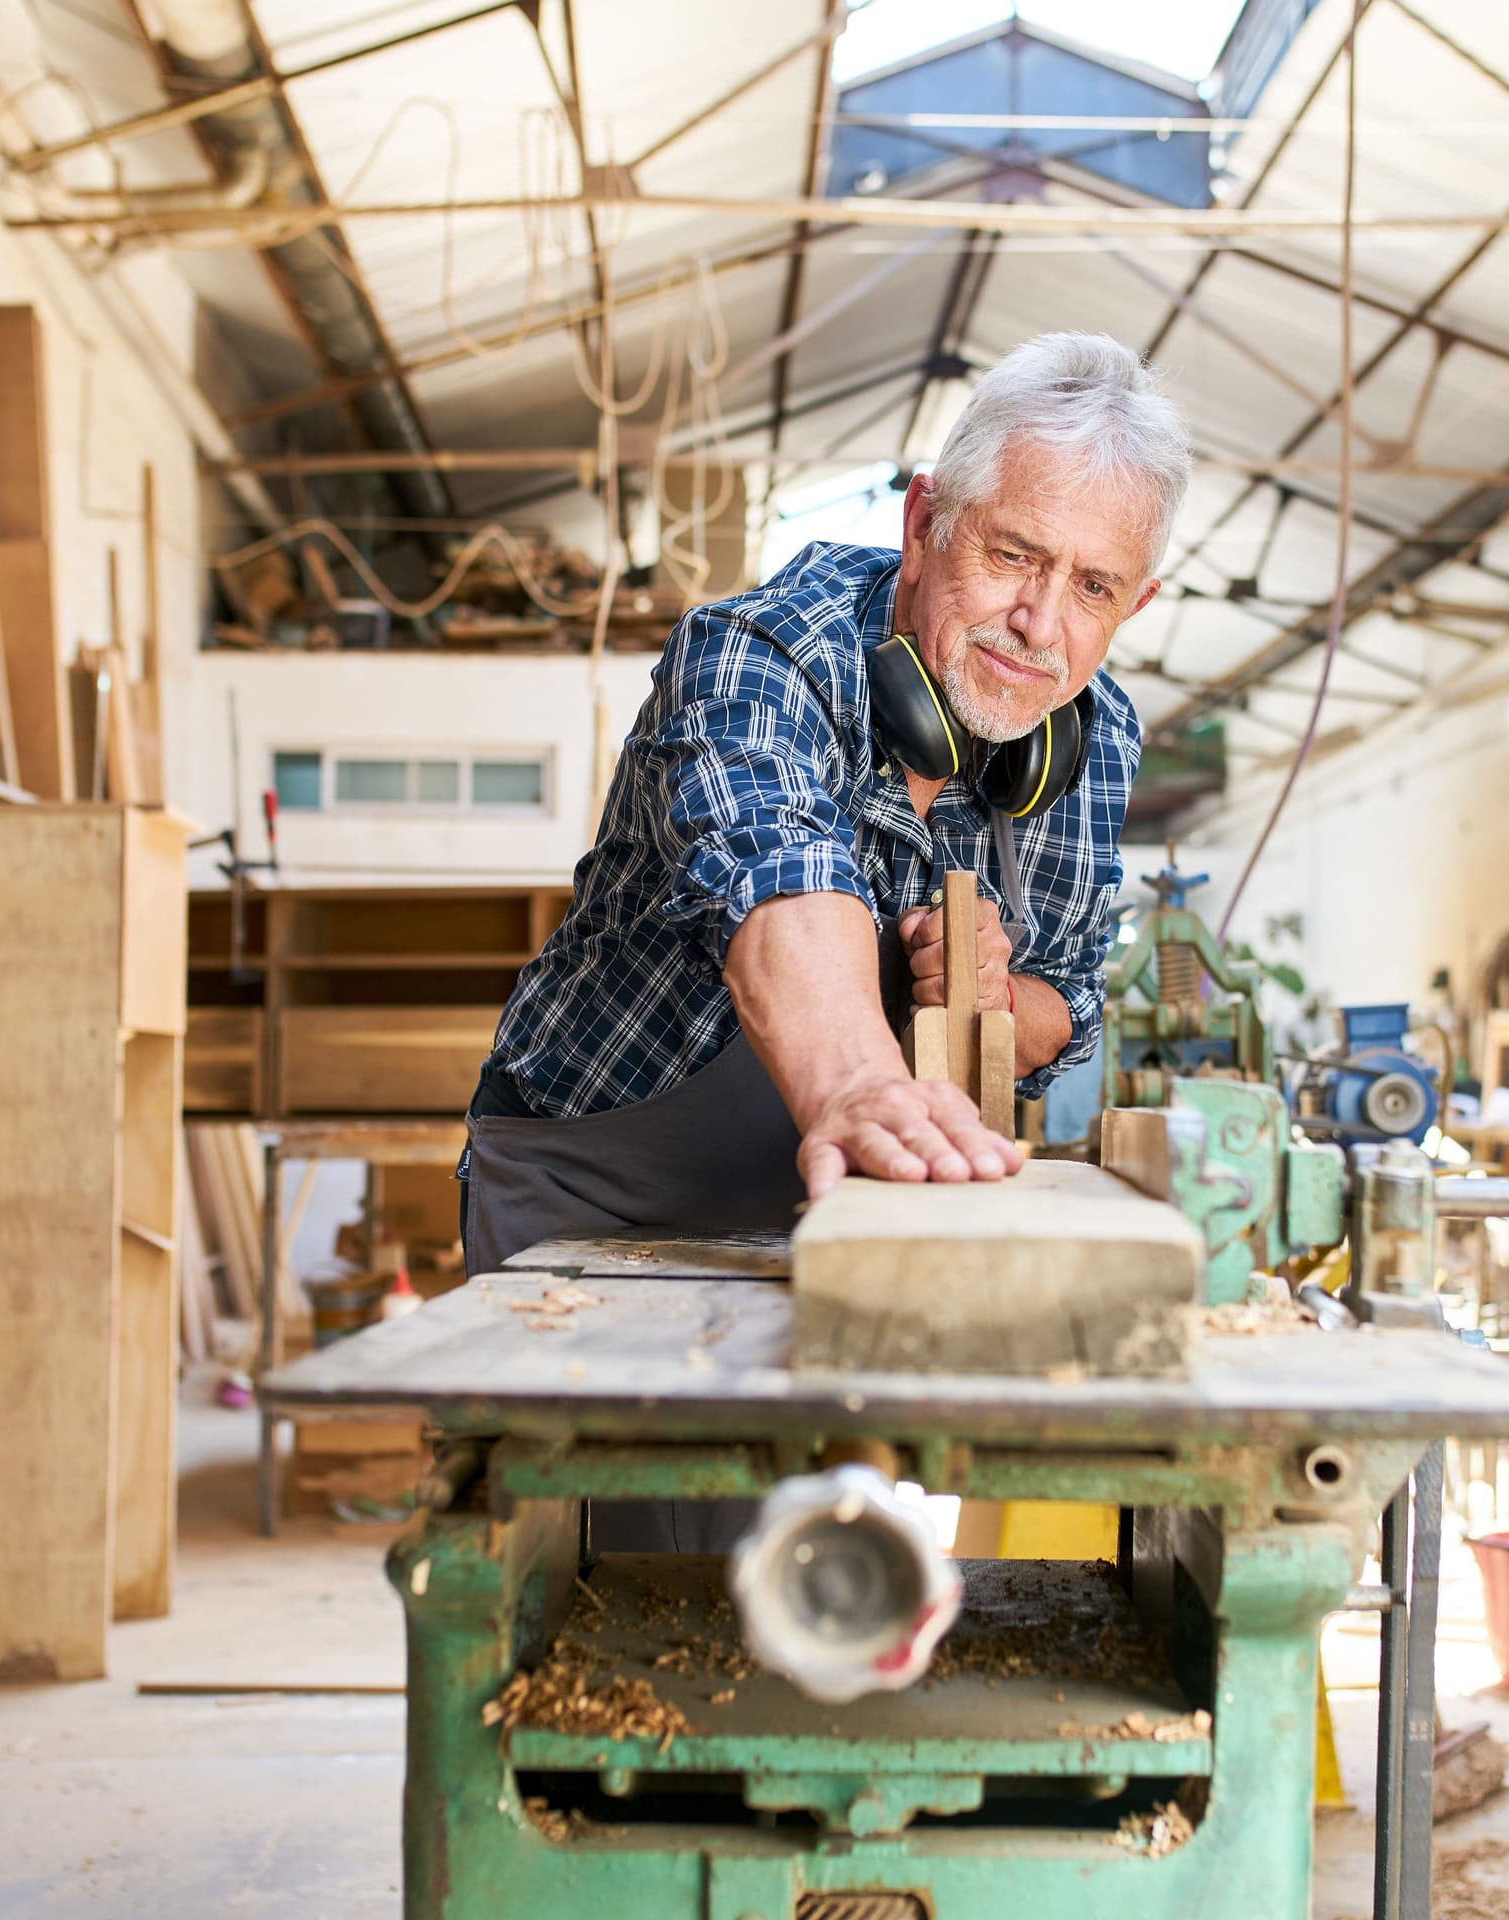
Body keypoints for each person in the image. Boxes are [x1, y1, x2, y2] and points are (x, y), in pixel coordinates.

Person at [458, 332, 1191, 1545]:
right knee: (585, 1608)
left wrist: (1007, 1000)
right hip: (599, 1207)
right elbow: (776, 888)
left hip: (844, 1214)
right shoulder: (755, 657)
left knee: (803, 1605)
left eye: (1094, 587)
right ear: (924, 524)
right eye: (1014, 555)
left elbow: (1073, 990)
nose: (1039, 623)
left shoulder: (1092, 736)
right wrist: (857, 1078)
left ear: (1137, 604)